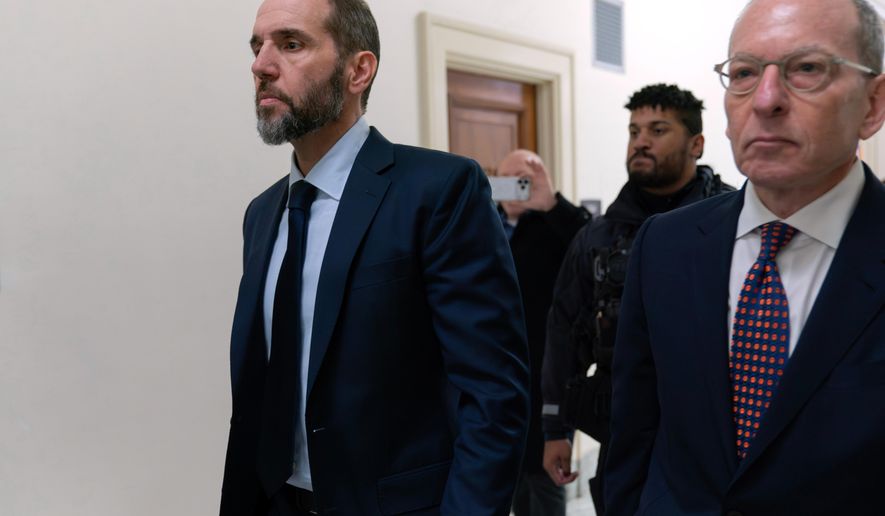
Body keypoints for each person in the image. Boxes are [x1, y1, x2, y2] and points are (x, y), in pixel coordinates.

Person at [220, 0, 531, 514]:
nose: (262, 65)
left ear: (358, 70)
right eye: (258, 47)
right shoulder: (263, 214)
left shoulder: (438, 191)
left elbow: (493, 397)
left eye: (291, 44)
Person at [604, 0, 885, 514]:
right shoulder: (664, 246)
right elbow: (635, 432)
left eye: (807, 69)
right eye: (745, 73)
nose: (766, 99)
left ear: (872, 104)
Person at [541, 84, 734, 515]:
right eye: (634, 131)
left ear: (696, 144)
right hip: (622, 431)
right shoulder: (598, 237)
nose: (641, 141)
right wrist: (556, 428)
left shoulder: (735, 221)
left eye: (658, 129)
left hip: (716, 434)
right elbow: (564, 332)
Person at [495, 150, 590, 516]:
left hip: (549, 373)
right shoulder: (484, 223)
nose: (515, 186)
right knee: (511, 479)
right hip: (500, 375)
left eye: (524, 177)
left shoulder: (557, 224)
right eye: (507, 178)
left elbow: (589, 243)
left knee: (547, 481)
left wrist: (551, 202)